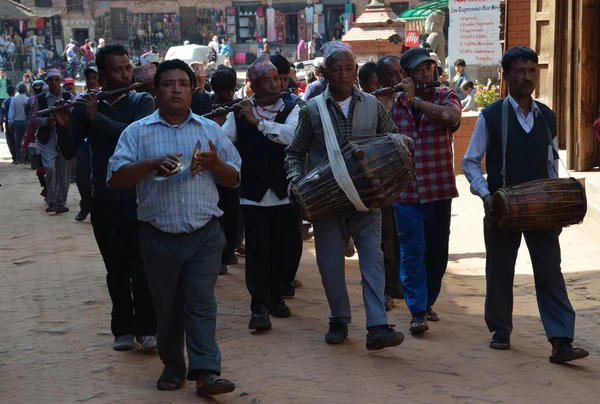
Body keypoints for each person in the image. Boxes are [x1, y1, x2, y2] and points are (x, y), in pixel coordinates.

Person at [107, 58, 240, 396]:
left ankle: (206, 371)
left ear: (193, 90)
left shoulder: (209, 130)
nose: (176, 89)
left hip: (205, 234)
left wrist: (215, 164)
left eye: (183, 83)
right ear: (156, 90)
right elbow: (116, 178)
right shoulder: (137, 132)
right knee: (166, 307)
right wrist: (150, 164)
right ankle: (173, 366)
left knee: (201, 303)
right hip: (157, 236)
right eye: (168, 83)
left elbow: (235, 177)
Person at [462, 46, 590, 363]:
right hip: (501, 208)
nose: (527, 76)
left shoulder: (547, 117)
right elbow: (470, 162)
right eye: (519, 71)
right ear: (506, 77)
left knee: (550, 272)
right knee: (500, 271)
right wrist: (486, 194)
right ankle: (500, 331)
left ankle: (561, 341)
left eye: (532, 70)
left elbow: (550, 165)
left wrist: (557, 205)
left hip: (542, 209)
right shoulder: (491, 116)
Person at [285, 42, 405, 349]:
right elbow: (295, 153)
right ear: (324, 73)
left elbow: (391, 139)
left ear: (356, 71)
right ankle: (338, 318)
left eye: (349, 68)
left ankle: (378, 325)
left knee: (373, 260)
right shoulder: (312, 110)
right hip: (326, 202)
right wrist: (297, 182)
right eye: (336, 69)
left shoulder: (372, 105)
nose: (343, 74)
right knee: (329, 263)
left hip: (366, 200)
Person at [53, 44, 157, 350]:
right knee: (116, 270)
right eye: (117, 69)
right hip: (105, 200)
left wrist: (96, 118)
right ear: (101, 75)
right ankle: (122, 329)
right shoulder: (89, 106)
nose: (126, 74)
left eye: (128, 67)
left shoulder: (142, 100)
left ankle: (148, 327)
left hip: (140, 198)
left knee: (142, 268)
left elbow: (134, 137)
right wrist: (63, 126)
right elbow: (70, 151)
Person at [216, 54, 302, 329]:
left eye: (276, 78)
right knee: (257, 252)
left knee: (283, 250)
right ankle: (259, 307)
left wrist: (259, 123)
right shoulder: (238, 112)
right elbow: (223, 143)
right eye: (266, 81)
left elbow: (290, 135)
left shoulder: (294, 108)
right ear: (253, 87)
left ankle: (276, 296)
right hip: (252, 195)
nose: (274, 85)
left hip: (285, 193)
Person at [389, 48, 461, 333]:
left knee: (437, 254)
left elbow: (453, 117)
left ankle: (428, 301)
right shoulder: (393, 102)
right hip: (405, 193)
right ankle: (417, 310)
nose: (426, 74)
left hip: (439, 190)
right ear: (407, 75)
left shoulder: (444, 95)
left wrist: (416, 101)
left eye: (429, 68)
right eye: (419, 70)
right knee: (412, 251)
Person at [373, 55, 406, 311]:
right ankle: (387, 289)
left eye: (399, 73)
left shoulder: (411, 97)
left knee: (404, 237)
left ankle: (400, 285)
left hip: (409, 182)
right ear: (380, 80)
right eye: (391, 76)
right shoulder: (373, 104)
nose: (397, 79)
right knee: (385, 238)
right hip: (383, 182)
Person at [208, 67, 241, 274]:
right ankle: (221, 256)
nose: (226, 96)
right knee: (218, 215)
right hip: (213, 170)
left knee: (234, 215)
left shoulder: (239, 107)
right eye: (221, 92)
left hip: (233, 169)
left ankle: (230, 250)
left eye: (228, 91)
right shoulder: (208, 106)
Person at [33, 70, 73, 213]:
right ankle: (51, 201)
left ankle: (60, 204)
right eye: (51, 80)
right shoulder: (41, 98)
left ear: (60, 81)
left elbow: (74, 115)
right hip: (47, 139)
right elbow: (35, 119)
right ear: (47, 82)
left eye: (57, 80)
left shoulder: (68, 96)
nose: (54, 83)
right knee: (49, 169)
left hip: (64, 138)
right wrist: (47, 120)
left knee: (64, 174)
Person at [71, 66, 101, 222]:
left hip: (100, 145)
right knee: (82, 180)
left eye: (94, 77)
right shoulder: (79, 100)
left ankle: (96, 209)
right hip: (83, 146)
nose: (91, 81)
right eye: (88, 78)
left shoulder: (106, 98)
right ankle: (85, 205)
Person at [7, 83, 28, 163]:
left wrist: (10, 122)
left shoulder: (14, 99)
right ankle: (27, 158)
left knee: (18, 141)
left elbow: (11, 111)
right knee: (26, 140)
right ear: (25, 90)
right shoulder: (28, 99)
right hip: (25, 122)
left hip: (17, 122)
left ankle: (19, 158)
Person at [1, 85, 15, 160]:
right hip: (17, 121)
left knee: (10, 139)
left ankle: (14, 156)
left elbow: (2, 115)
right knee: (18, 139)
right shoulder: (16, 100)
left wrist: (1, 125)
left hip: (7, 122)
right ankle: (20, 156)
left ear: (7, 92)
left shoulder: (5, 101)